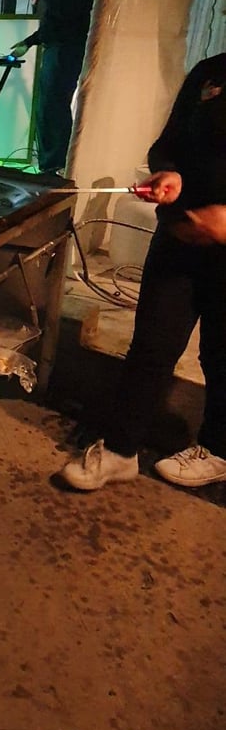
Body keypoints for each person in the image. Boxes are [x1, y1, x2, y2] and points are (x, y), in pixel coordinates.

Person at [60, 55, 226, 491]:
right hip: (180, 236)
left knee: (220, 355)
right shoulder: (212, 73)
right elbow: (168, 143)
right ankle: (119, 451)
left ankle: (218, 447)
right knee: (152, 345)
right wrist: (168, 171)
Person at [10, 0, 99, 174]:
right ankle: (52, 166)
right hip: (59, 48)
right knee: (50, 108)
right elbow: (56, 22)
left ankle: (53, 169)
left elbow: (66, 14)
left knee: (52, 110)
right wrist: (28, 43)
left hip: (66, 51)